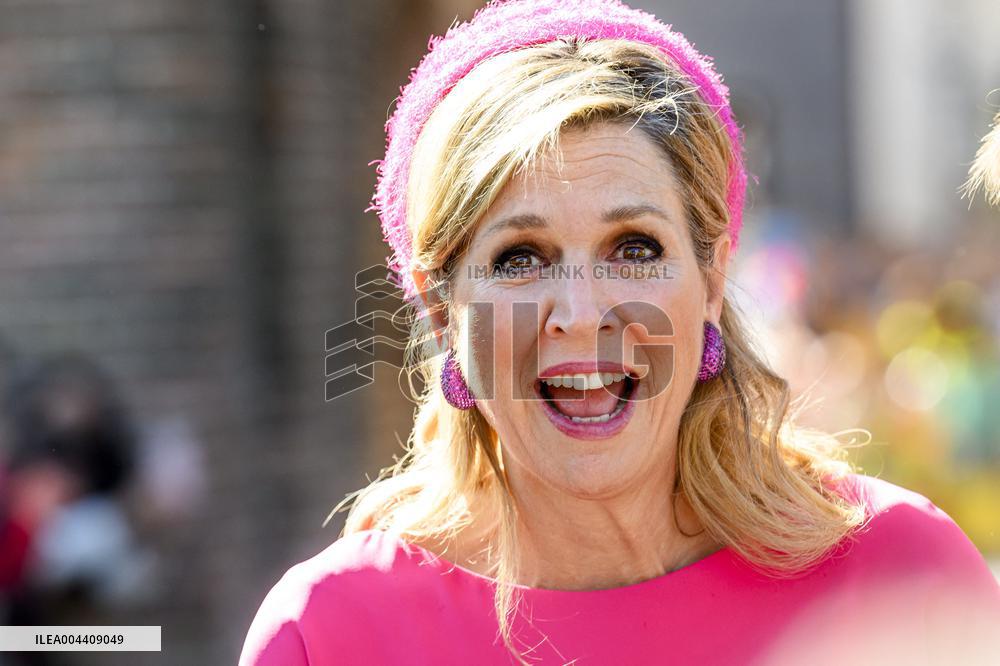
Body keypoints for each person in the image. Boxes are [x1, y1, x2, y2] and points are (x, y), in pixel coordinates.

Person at [240, 1, 1000, 663]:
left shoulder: (906, 577)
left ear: (710, 279)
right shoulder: (330, 634)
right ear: (440, 308)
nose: (579, 311)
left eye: (634, 249)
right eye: (519, 257)